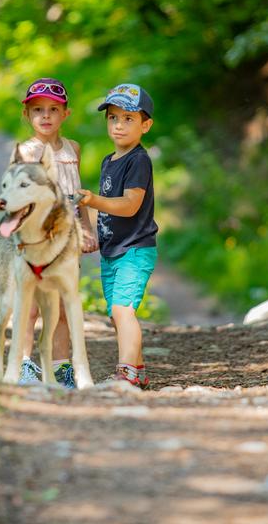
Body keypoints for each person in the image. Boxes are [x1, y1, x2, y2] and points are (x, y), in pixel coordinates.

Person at [15, 77, 98, 388]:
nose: (45, 116)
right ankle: (24, 364)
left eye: (53, 109)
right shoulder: (26, 151)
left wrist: (86, 229)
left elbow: (77, 195)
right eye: (38, 110)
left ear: (66, 113)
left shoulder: (73, 148)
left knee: (62, 305)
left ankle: (61, 367)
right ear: (27, 115)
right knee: (33, 305)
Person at [77, 83, 158, 390]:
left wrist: (92, 200)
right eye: (113, 118)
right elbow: (110, 209)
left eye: (128, 118)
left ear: (145, 125)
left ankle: (127, 373)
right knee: (116, 314)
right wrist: (97, 232)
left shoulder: (138, 160)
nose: (119, 125)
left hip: (135, 248)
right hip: (113, 249)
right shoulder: (109, 160)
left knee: (122, 310)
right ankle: (137, 370)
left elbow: (129, 204)